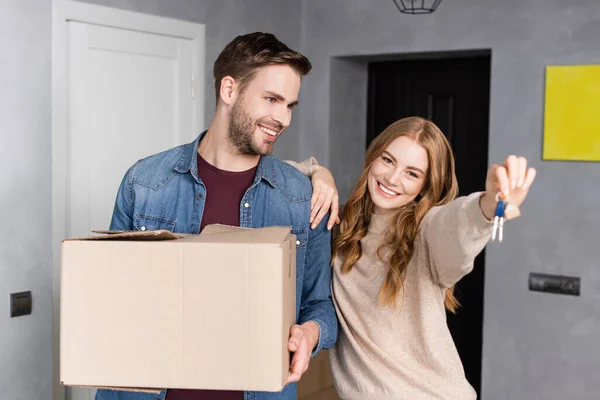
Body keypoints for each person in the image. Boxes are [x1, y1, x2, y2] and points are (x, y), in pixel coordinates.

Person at [95, 32, 339, 400]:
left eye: (290, 105)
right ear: (229, 90)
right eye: (272, 99)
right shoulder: (145, 182)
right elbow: (109, 295)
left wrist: (310, 334)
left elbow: (321, 305)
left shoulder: (304, 198)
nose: (283, 118)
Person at [327, 116, 537, 399]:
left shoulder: (425, 232)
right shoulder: (340, 226)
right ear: (373, 157)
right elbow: (276, 174)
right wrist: (319, 174)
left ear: (427, 185)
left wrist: (489, 203)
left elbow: (458, 224)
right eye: (388, 160)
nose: (392, 178)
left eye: (412, 173)